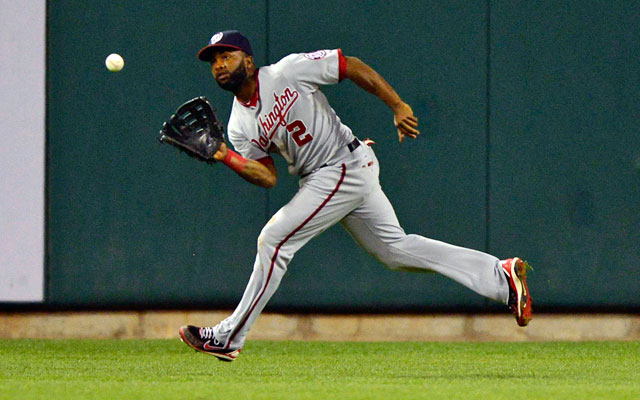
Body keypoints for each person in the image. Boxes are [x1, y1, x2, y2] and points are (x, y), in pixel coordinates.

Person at [178, 30, 532, 361]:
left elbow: (348, 65)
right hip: (335, 173)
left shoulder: (287, 72)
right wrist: (226, 156)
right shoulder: (240, 125)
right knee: (395, 250)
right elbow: (267, 176)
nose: (220, 64)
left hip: (341, 166)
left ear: (249, 61)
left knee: (273, 240)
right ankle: (500, 277)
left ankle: (229, 336)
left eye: (227, 55)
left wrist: (396, 105)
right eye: (214, 61)